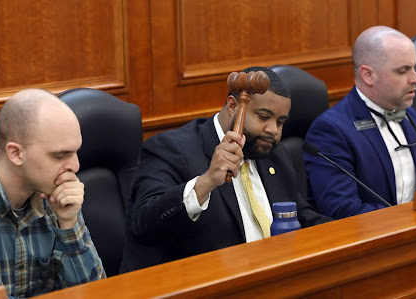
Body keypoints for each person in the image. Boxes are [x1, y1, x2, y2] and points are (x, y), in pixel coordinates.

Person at [120, 66, 332, 272]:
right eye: (264, 117)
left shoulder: (273, 153)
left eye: (281, 122)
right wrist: (207, 181)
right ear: (233, 106)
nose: (273, 131)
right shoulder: (172, 149)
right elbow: (143, 223)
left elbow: (299, 215)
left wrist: (352, 232)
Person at [304, 26, 416, 220]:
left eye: (414, 67)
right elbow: (343, 210)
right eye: (403, 71)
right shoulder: (331, 130)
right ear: (368, 75)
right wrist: (409, 220)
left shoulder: (410, 115)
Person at [0, 89, 106, 298]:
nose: (75, 166)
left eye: (76, 152)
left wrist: (69, 223)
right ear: (16, 153)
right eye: (60, 155)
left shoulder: (54, 192)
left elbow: (95, 293)